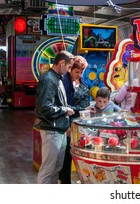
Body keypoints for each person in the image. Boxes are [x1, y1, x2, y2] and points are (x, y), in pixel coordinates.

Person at [35, 50, 75, 184]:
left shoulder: (57, 79)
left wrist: (73, 109)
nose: (69, 71)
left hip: (59, 129)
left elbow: (59, 104)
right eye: (69, 67)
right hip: (51, 130)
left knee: (55, 169)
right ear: (62, 63)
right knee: (48, 169)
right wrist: (64, 110)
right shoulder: (48, 79)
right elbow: (44, 108)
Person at [59, 55, 90, 184]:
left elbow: (86, 104)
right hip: (66, 124)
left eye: (82, 72)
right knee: (66, 155)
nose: (79, 75)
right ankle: (64, 181)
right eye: (77, 72)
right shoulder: (63, 83)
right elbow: (63, 106)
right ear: (70, 69)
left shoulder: (83, 84)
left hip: (80, 124)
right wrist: (81, 108)